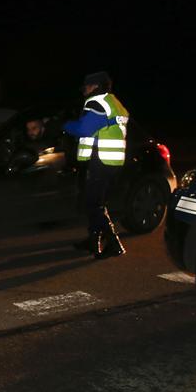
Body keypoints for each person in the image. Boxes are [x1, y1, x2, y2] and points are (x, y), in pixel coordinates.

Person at [62, 71, 128, 259]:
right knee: (95, 201)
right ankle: (93, 240)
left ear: (96, 86)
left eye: (87, 86)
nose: (85, 89)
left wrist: (65, 125)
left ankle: (114, 243)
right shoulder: (115, 102)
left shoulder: (97, 102)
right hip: (110, 160)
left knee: (93, 203)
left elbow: (84, 129)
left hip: (101, 160)